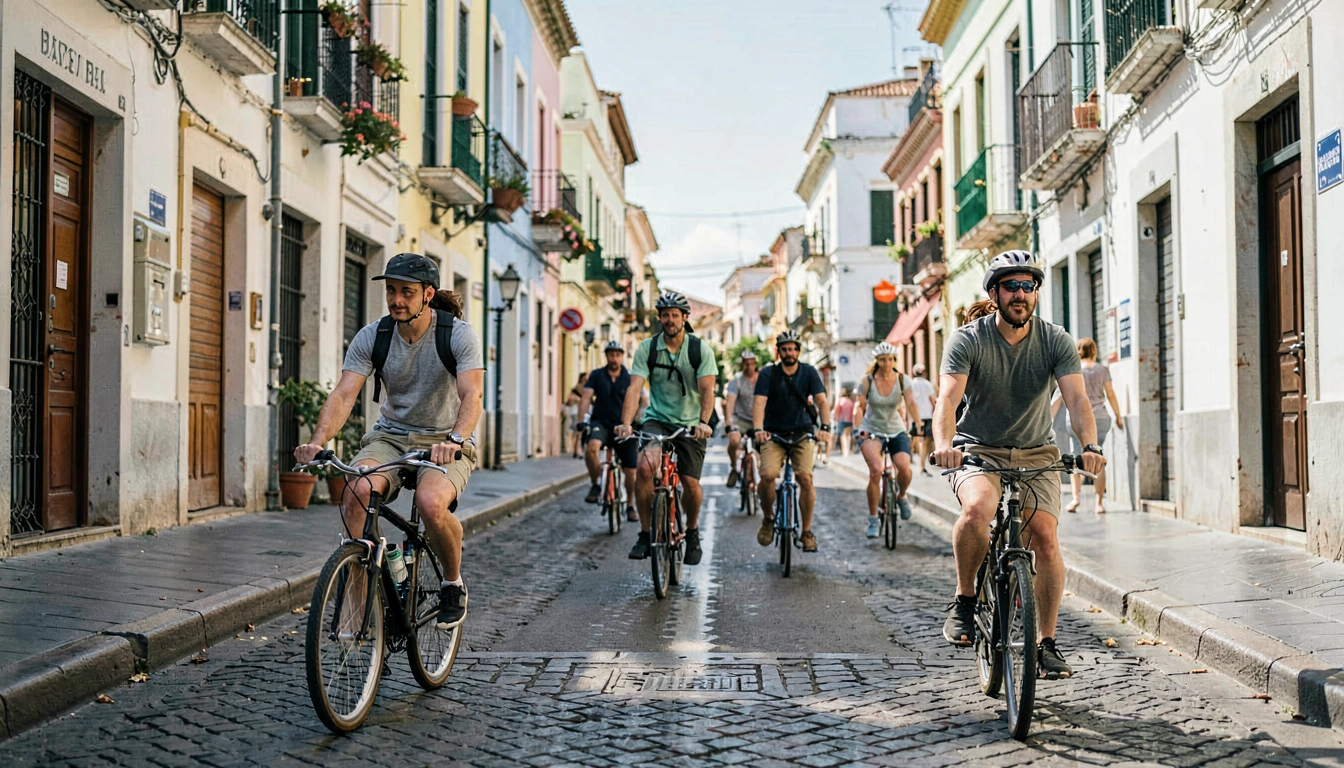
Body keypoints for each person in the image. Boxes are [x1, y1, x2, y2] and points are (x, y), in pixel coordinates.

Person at [932, 250, 1105, 680]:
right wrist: (943, 444)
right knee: (977, 511)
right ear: (994, 293)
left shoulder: (1055, 340)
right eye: (1012, 285)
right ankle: (966, 599)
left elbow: (1077, 399)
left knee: (1044, 538)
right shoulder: (969, 340)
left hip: (1036, 453)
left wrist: (1090, 444)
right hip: (978, 450)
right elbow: (948, 399)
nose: (1021, 294)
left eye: (1029, 286)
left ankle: (1046, 642)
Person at [293, 253, 484, 630]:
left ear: (428, 294)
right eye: (391, 290)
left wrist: (456, 439)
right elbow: (345, 394)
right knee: (356, 492)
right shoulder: (374, 335)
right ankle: (358, 606)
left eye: (407, 292)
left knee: (430, 503)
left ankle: (452, 583)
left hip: (445, 439)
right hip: (391, 437)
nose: (396, 299)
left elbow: (472, 394)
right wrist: (317, 441)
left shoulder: (457, 334)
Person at [614, 292, 718, 566]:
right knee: (646, 469)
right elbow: (634, 387)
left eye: (675, 315)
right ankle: (646, 533)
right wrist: (626, 423)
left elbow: (708, 390)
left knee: (690, 483)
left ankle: (692, 532)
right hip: (657, 419)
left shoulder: (699, 349)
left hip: (692, 423)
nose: (669, 320)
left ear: (685, 317)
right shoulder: (647, 348)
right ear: (659, 318)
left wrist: (704, 423)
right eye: (665, 315)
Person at [752, 331, 830, 552]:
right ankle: (768, 519)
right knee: (767, 475)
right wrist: (758, 429)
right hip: (773, 434)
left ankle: (806, 532)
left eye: (793, 348)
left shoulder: (809, 372)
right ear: (779, 351)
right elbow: (759, 403)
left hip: (802, 433)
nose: (789, 353)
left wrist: (824, 427)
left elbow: (821, 401)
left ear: (798, 350)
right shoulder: (768, 374)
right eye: (785, 349)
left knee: (805, 479)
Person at [853, 342, 922, 538]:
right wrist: (859, 430)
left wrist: (918, 424)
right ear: (877, 361)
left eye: (890, 359)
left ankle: (901, 496)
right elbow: (859, 406)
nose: (886, 363)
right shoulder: (867, 381)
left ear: (894, 361)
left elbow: (910, 402)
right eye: (883, 360)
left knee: (905, 467)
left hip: (896, 428)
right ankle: (873, 518)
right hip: (871, 429)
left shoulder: (902, 379)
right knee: (876, 471)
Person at [1050, 337, 1124, 514]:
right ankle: (1099, 503)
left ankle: (1076, 499)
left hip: (1077, 420)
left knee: (1077, 456)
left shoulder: (1073, 369)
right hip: (1100, 418)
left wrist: (1047, 419)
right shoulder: (1102, 369)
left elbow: (1059, 396)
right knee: (1098, 457)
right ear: (1094, 351)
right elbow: (1111, 394)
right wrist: (1118, 415)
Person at [577, 341, 641, 522]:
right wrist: (581, 421)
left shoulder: (629, 376)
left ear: (622, 356)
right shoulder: (597, 375)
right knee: (591, 447)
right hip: (601, 423)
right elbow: (586, 397)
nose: (614, 358)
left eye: (617, 355)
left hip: (624, 426)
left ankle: (630, 505)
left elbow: (640, 399)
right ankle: (596, 483)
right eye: (611, 354)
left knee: (631, 471)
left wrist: (639, 420)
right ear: (606, 356)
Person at [723, 350, 760, 488]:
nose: (749, 366)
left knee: (766, 446)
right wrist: (728, 424)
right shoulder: (736, 380)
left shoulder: (763, 378)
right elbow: (730, 402)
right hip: (741, 419)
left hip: (759, 420)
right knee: (734, 440)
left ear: (755, 364)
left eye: (751, 363)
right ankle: (734, 467)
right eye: (746, 364)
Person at [908, 364, 937, 473]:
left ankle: (910, 457)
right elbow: (933, 401)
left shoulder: (910, 384)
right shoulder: (928, 384)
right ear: (924, 373)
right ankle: (922, 466)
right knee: (925, 441)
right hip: (927, 415)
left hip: (916, 415)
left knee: (915, 438)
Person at [564, 374, 587, 458]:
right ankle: (577, 450)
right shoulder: (578, 388)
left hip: (580, 412)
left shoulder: (586, 387)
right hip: (576, 411)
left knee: (577, 432)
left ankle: (576, 449)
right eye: (585, 378)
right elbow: (571, 398)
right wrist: (580, 400)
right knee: (577, 432)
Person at [833, 388, 855, 457]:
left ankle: (844, 451)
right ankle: (847, 450)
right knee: (848, 435)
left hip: (841, 419)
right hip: (849, 420)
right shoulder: (850, 402)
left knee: (842, 436)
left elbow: (837, 410)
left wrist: (835, 418)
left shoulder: (840, 400)